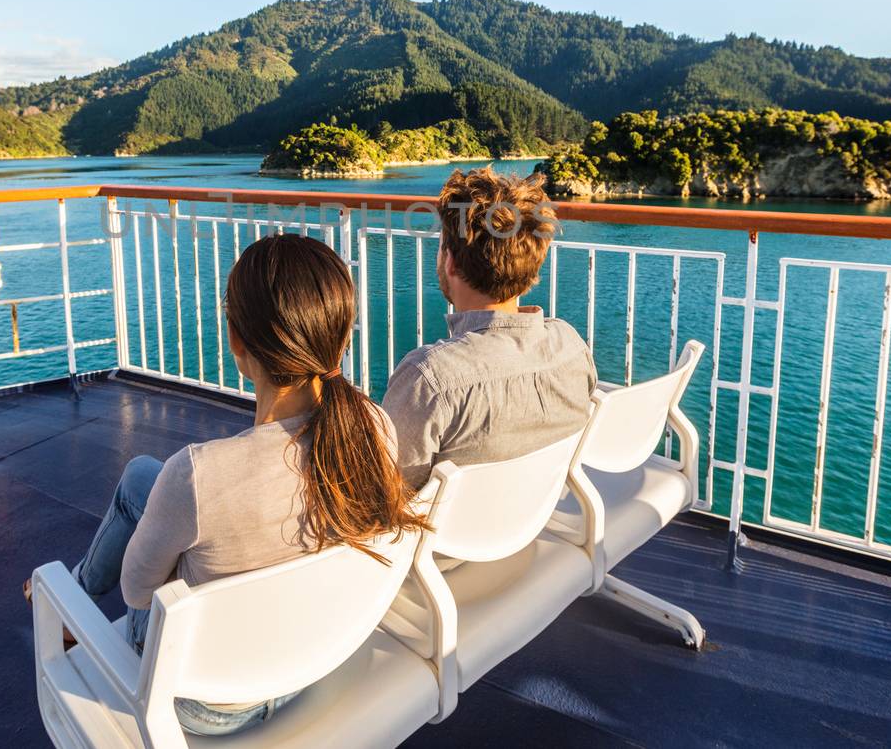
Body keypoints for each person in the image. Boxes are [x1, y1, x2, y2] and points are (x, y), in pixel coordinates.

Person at [51, 232, 427, 737]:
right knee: (146, 476)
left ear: (237, 342)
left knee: (150, 487)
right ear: (339, 335)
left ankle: (70, 596)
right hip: (318, 659)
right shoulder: (375, 428)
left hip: (209, 705)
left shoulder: (199, 473)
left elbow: (137, 594)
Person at [383, 167, 597, 490]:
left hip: (447, 540)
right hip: (536, 522)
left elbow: (383, 490)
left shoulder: (427, 380)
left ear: (451, 261)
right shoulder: (571, 347)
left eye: (441, 245)